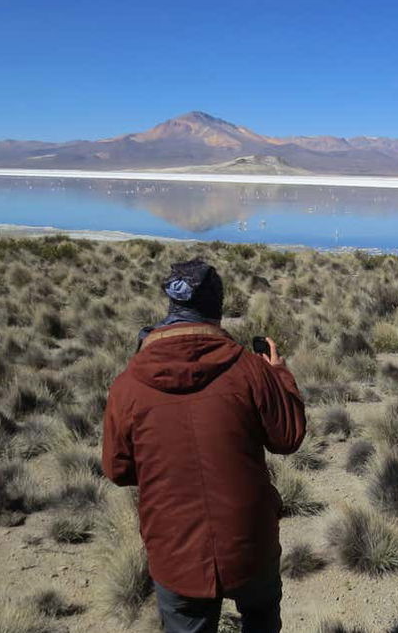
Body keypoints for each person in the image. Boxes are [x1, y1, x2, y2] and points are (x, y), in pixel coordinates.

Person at [102, 258, 306, 633]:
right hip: (250, 540)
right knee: (261, 619)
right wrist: (279, 375)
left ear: (172, 308)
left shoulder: (127, 385)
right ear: (217, 310)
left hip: (175, 546)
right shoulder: (250, 370)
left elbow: (118, 469)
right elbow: (288, 437)